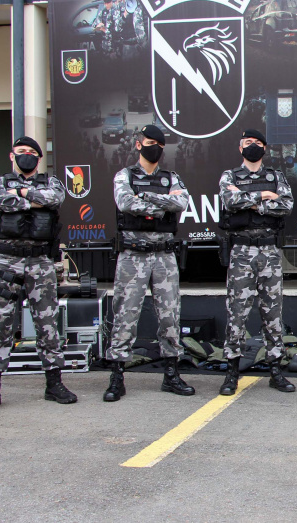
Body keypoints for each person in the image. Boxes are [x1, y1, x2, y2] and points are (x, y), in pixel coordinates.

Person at [0, 136, 77, 411]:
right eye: (21, 151)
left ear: (39, 157)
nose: (26, 156)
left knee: (47, 326)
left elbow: (55, 199)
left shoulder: (52, 183)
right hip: (7, 262)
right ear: (12, 156)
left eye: (32, 152)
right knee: (0, 325)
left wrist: (20, 195)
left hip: (40, 262)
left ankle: (54, 384)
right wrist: (30, 200)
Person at [103, 125, 193, 402]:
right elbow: (125, 203)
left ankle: (171, 376)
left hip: (164, 256)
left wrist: (148, 197)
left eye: (159, 144)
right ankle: (117, 377)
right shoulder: (125, 176)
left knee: (169, 317)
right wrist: (163, 202)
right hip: (133, 256)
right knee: (125, 317)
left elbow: (181, 203)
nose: (154, 147)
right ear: (139, 144)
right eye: (149, 142)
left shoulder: (171, 177)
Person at [217, 129, 295, 395]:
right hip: (241, 253)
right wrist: (264, 196)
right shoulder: (230, 176)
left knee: (273, 315)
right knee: (236, 315)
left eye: (258, 143)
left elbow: (286, 205)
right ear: (240, 148)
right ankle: (231, 374)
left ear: (265, 148)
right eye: (248, 143)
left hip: (270, 254)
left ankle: (276, 371)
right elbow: (230, 201)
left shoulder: (276, 176)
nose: (253, 146)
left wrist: (251, 202)